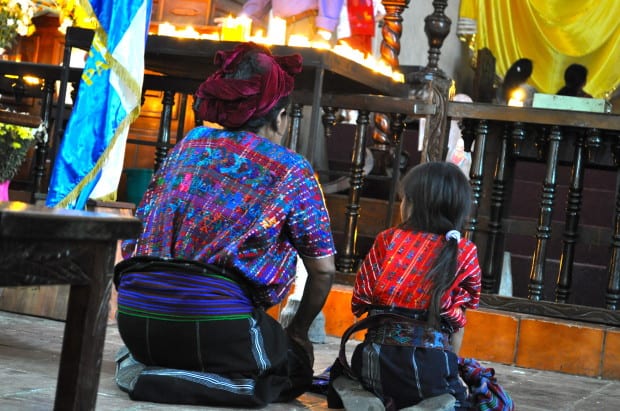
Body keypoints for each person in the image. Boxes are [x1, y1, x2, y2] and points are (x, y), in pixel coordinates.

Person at [113, 42, 337, 407]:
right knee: (294, 369)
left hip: (137, 322)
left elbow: (140, 227)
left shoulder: (188, 144)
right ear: (280, 118)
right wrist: (297, 333)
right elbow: (324, 271)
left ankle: (146, 366)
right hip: (217, 327)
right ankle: (176, 382)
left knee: (195, 340)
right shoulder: (292, 169)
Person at [329, 161, 482, 410]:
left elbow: (361, 299)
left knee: (340, 377)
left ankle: (370, 398)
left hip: (374, 363)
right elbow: (458, 325)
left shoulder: (387, 240)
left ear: (410, 205)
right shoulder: (464, 251)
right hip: (431, 368)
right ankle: (433, 403)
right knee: (463, 399)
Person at [241, 0, 344, 43]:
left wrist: (324, 31)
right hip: (278, 27)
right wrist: (243, 20)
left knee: (304, 78)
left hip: (307, 24)